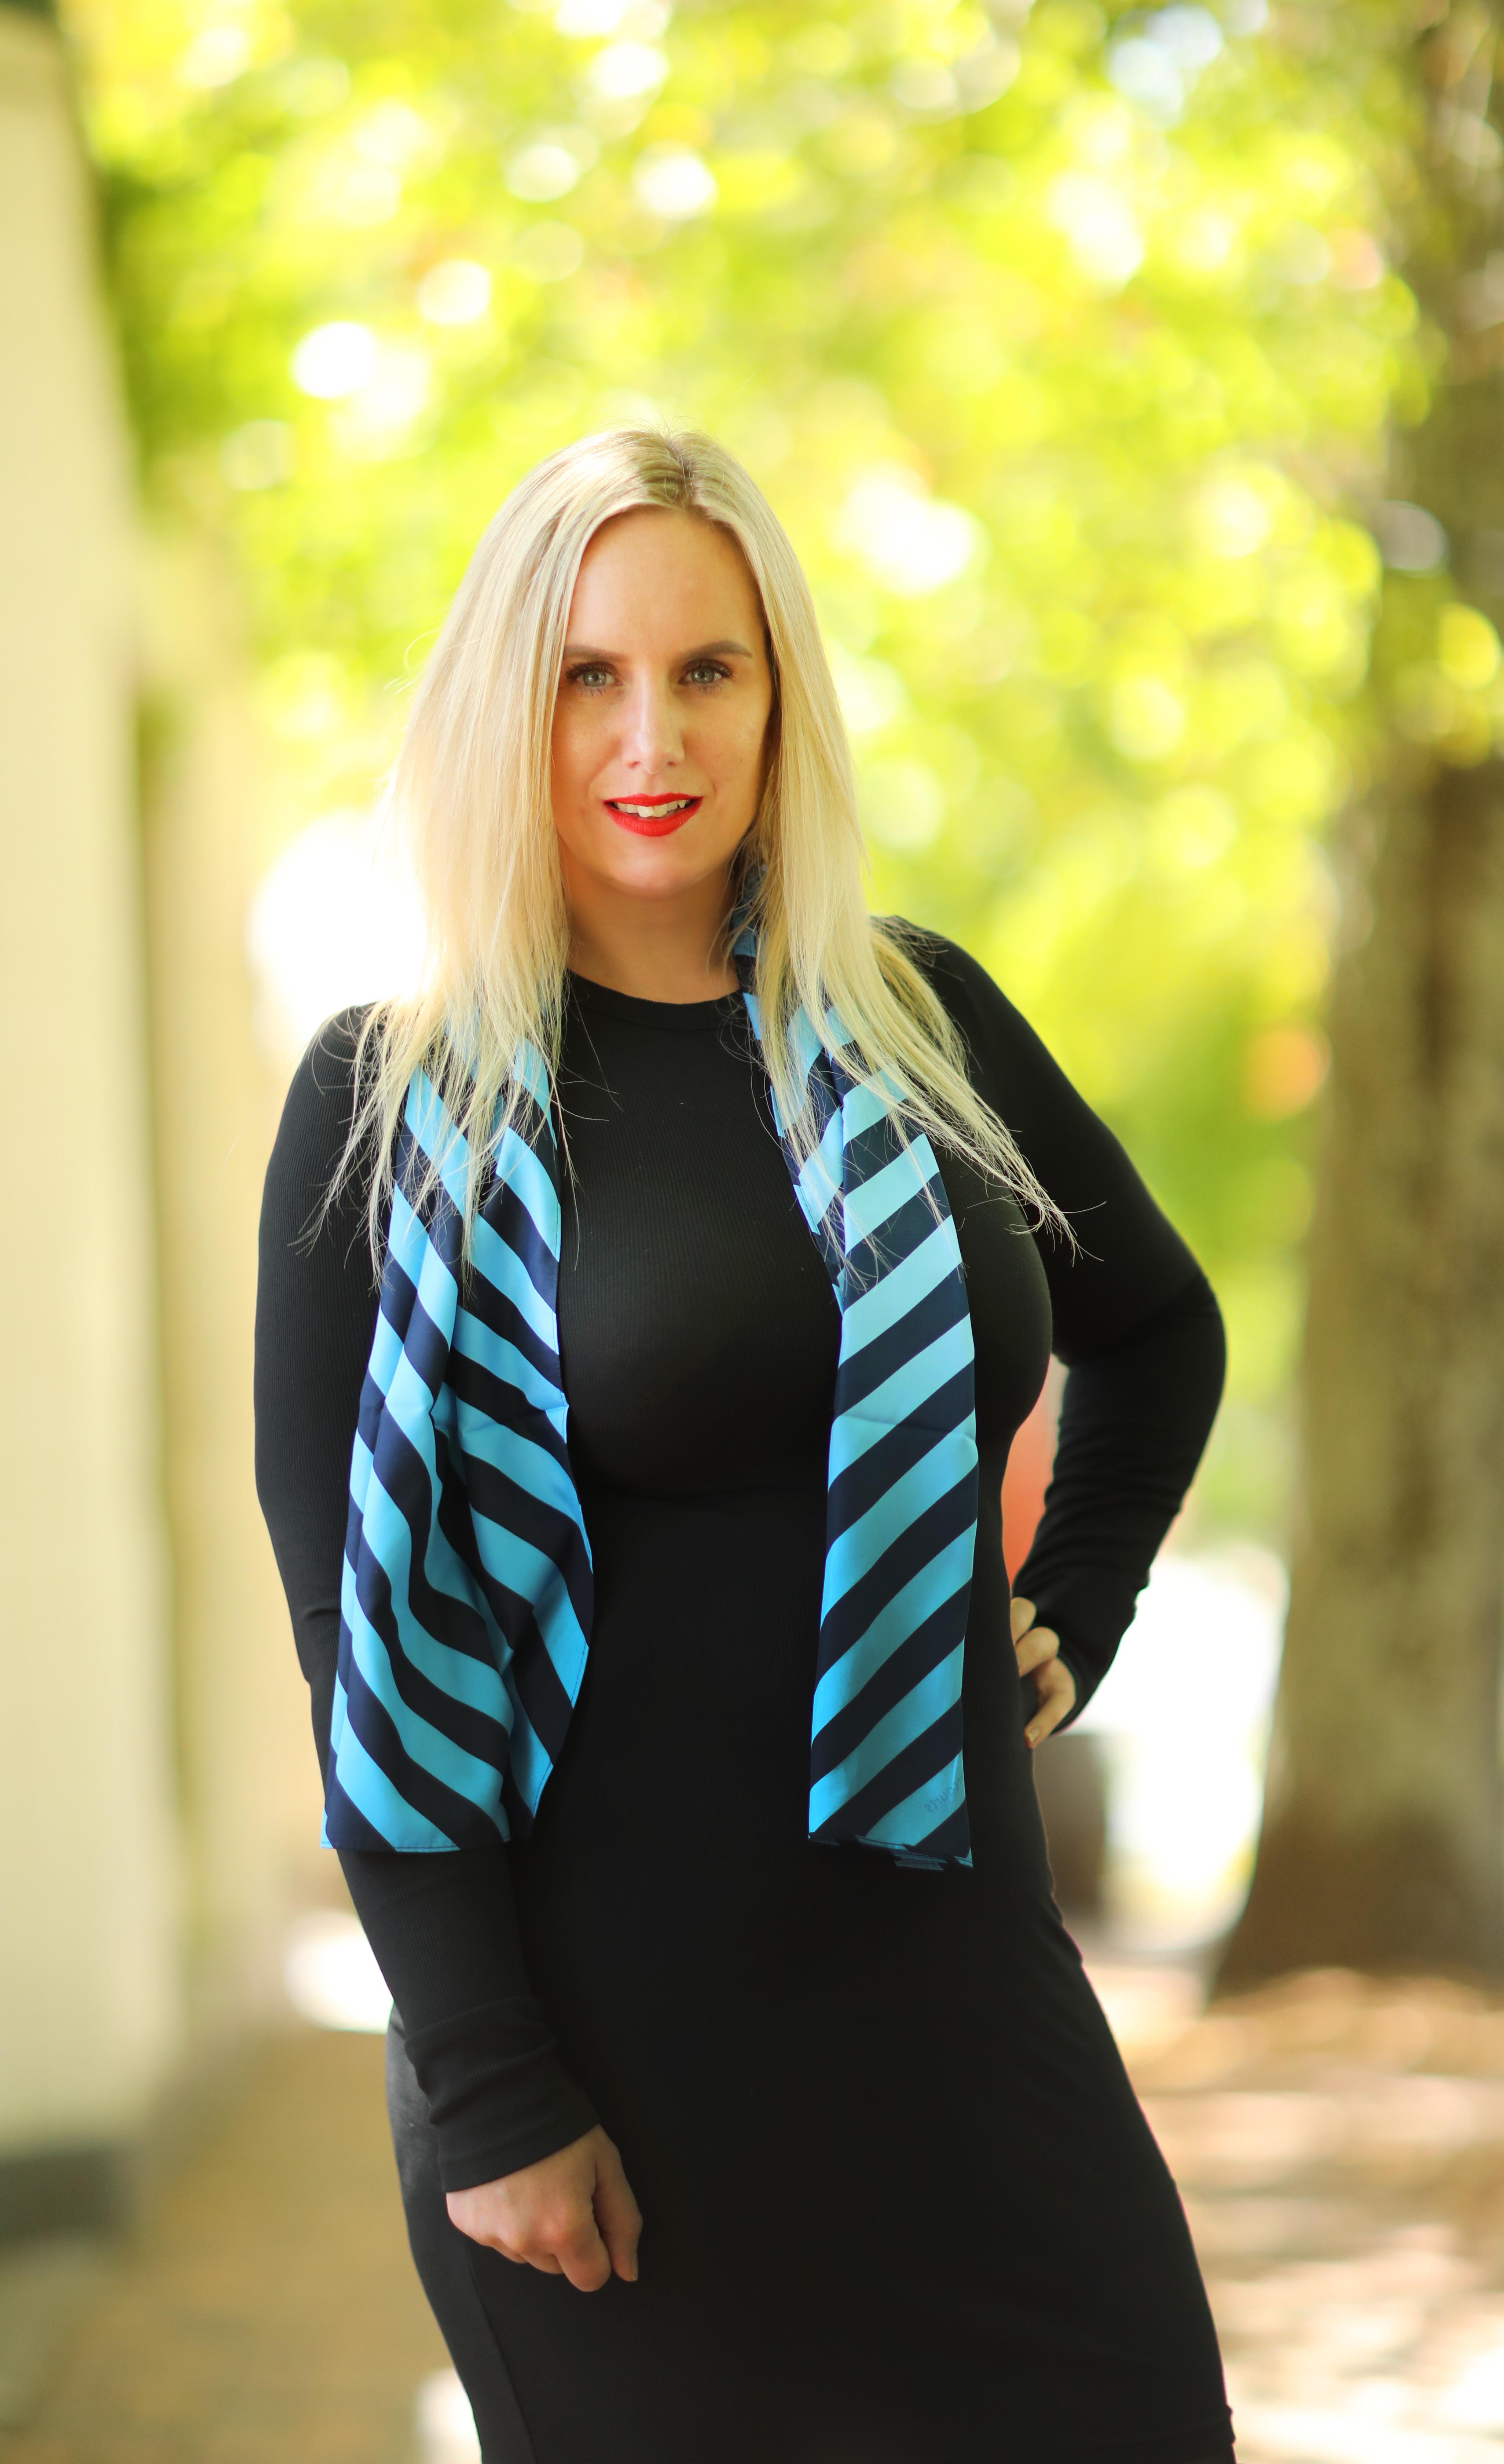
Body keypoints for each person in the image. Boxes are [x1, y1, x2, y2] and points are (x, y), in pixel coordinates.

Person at [254, 426, 1235, 2464]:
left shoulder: (917, 1021)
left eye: (709, 669)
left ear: (781, 696)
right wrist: (491, 2086)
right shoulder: (389, 1106)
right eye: (588, 676)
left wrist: (1075, 1609)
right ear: (506, 707)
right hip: (614, 2050)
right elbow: (361, 1649)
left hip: (959, 1998)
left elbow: (1158, 1327)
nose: (655, 736)